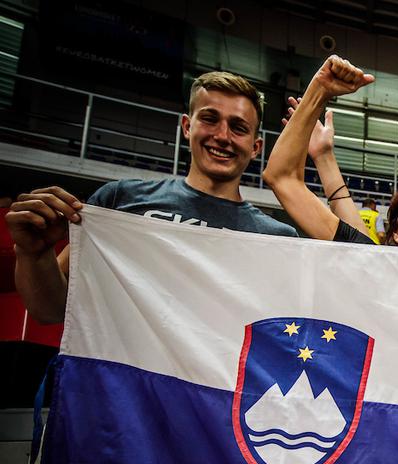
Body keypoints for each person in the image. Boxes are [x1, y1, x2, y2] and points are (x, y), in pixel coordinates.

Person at [7, 70, 335, 325]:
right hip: (116, 403)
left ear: (255, 146)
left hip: (213, 406)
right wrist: (34, 254)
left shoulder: (277, 238)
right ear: (187, 126)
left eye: (238, 127)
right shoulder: (120, 201)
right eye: (209, 119)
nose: (222, 136)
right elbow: (50, 310)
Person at [264, 56, 398, 252]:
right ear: (395, 232)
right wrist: (319, 90)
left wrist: (324, 157)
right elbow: (282, 178)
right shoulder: (372, 263)